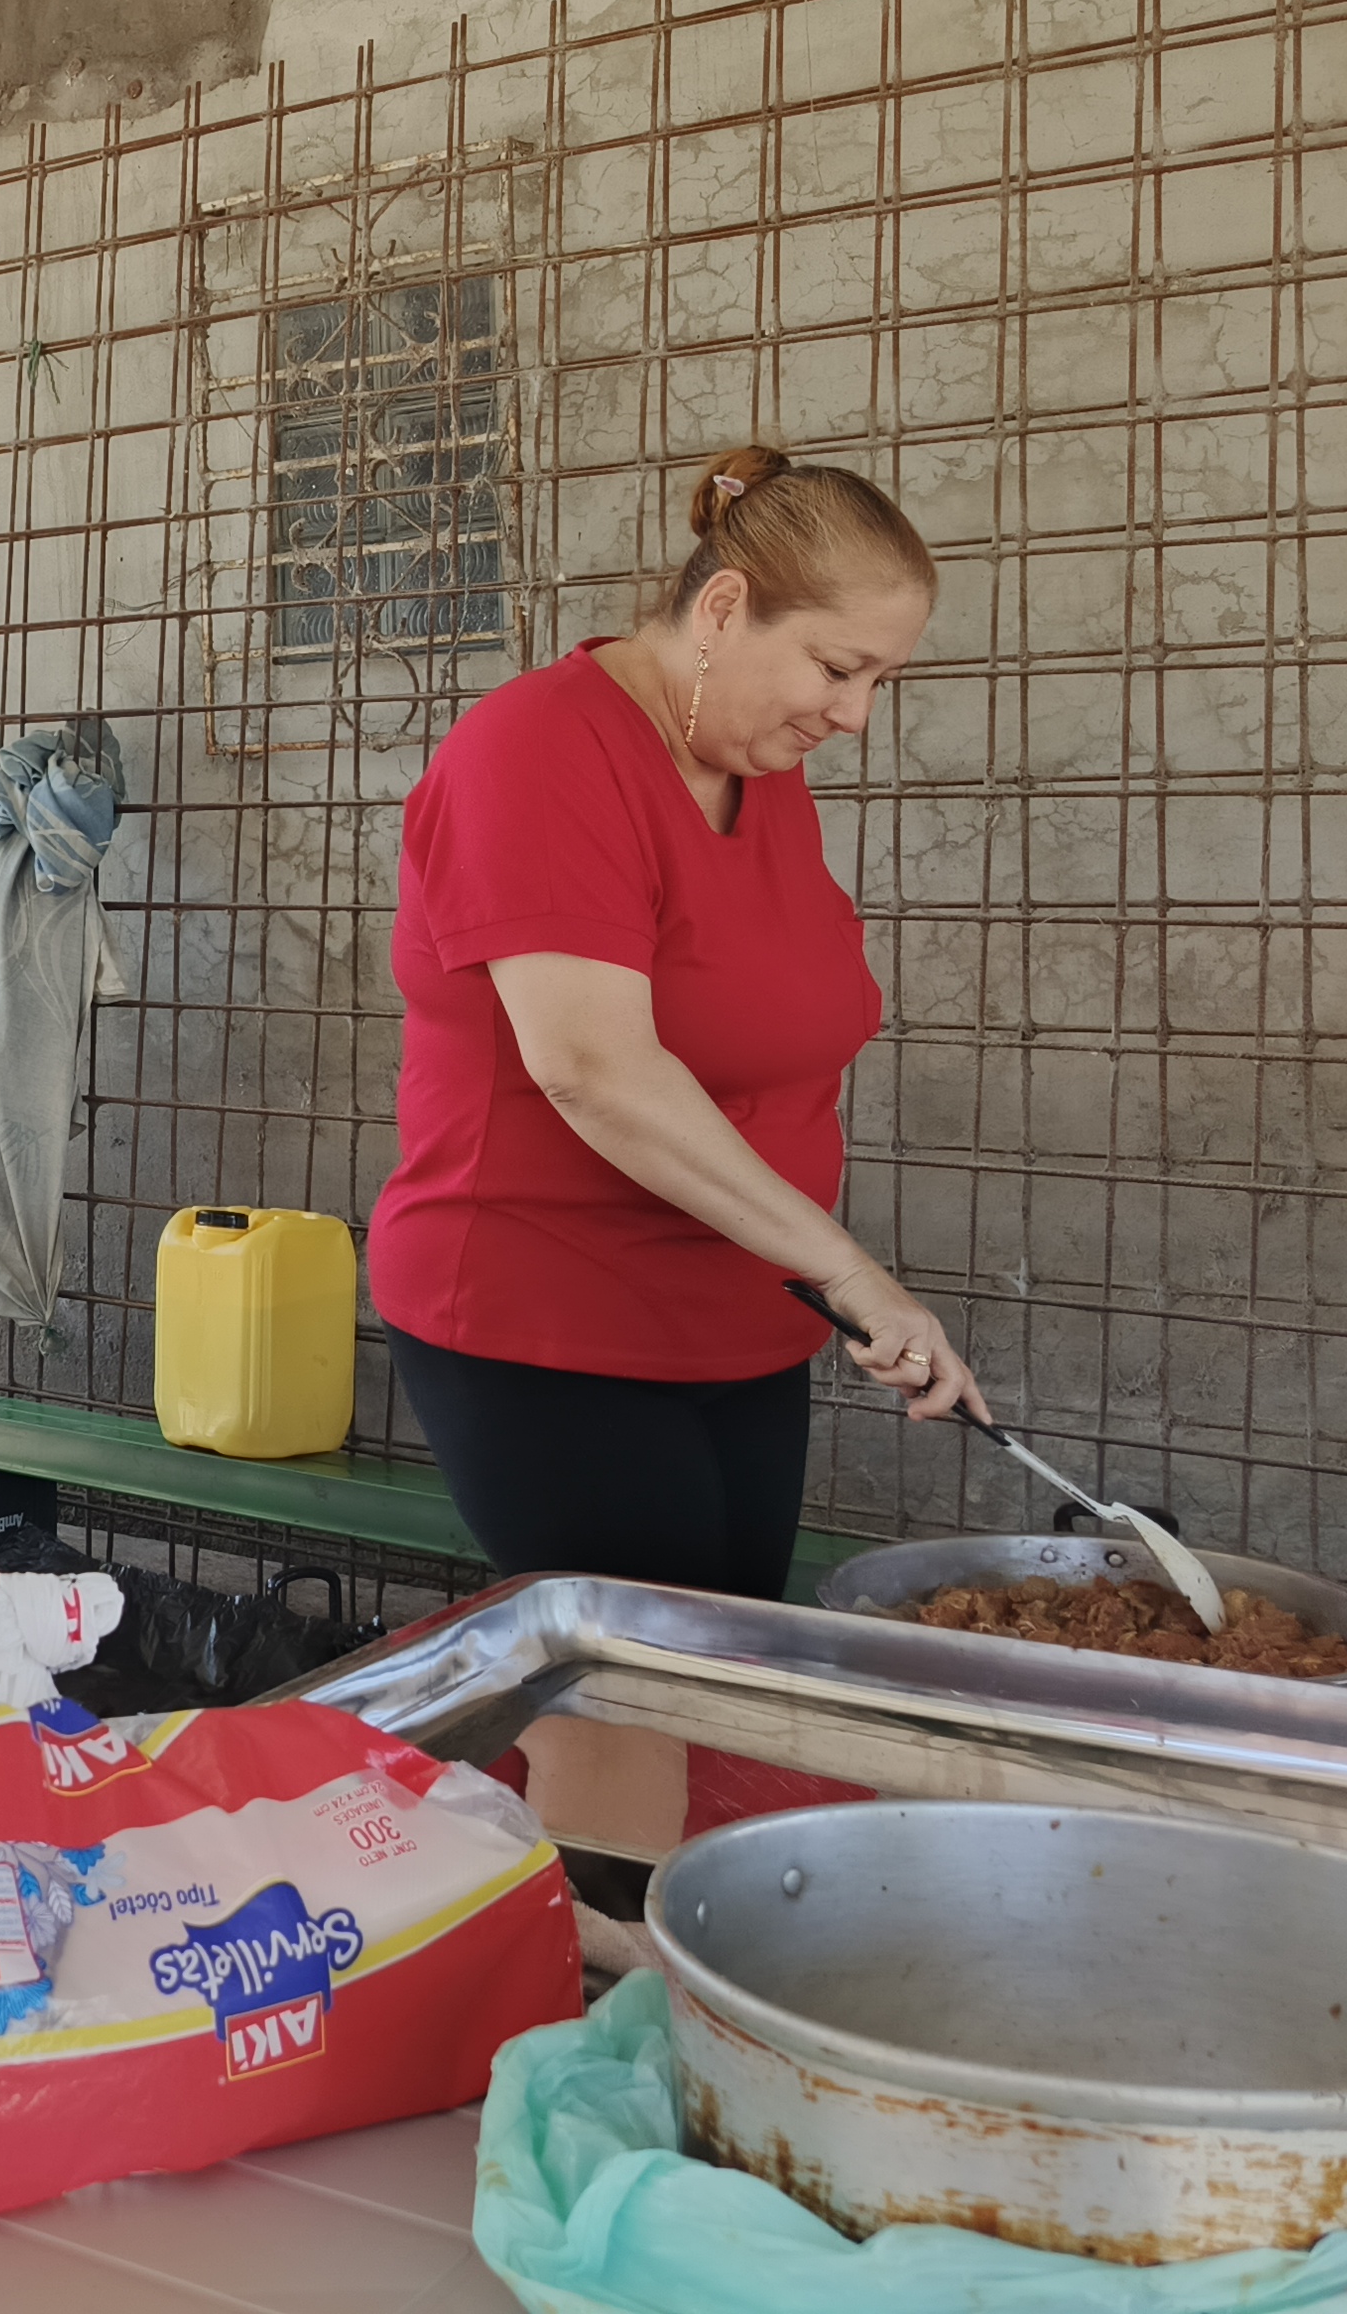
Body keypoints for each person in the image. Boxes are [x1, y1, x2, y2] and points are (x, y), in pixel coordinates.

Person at [366, 447, 984, 1851]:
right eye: (836, 668)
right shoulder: (538, 749)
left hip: (741, 1323)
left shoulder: (761, 772)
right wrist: (855, 1273)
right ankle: (601, 1956)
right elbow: (593, 1068)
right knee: (628, 1707)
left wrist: (818, 1277)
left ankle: (651, 1929)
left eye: (879, 681)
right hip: (548, 1315)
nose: (853, 715)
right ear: (721, 609)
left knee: (715, 1687)